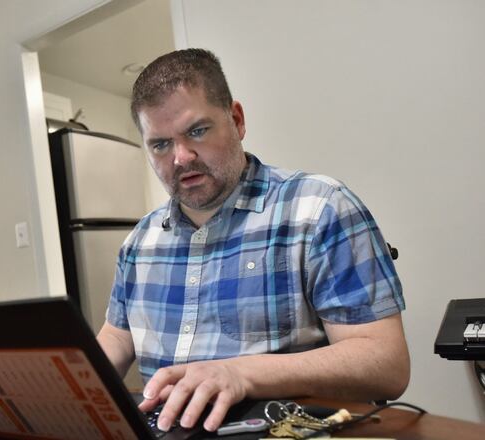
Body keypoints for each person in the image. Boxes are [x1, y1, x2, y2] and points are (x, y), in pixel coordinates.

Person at [95, 48, 410, 433]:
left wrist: (242, 373)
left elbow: (386, 363)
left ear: (237, 120)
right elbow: (116, 336)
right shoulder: (139, 241)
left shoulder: (319, 207)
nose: (180, 157)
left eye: (197, 131)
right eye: (160, 144)